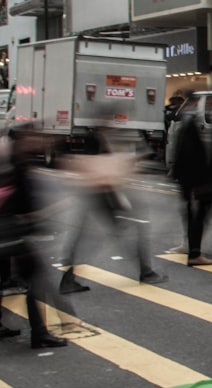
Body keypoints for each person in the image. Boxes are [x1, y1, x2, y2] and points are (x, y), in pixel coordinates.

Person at [58, 124, 169, 293]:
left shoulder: (95, 141)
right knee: (131, 231)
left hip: (96, 194)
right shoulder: (96, 141)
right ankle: (146, 272)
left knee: (88, 239)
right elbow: (102, 170)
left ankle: (68, 277)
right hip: (103, 194)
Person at [0, 131, 67, 349]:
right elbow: (26, 208)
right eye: (34, 138)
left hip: (10, 233)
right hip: (14, 235)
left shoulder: (12, 162)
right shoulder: (18, 166)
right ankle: (39, 334)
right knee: (36, 284)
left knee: (10, 282)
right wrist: (56, 209)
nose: (40, 142)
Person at [170, 106, 212, 267]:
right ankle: (194, 251)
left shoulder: (186, 123)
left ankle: (191, 246)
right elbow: (194, 153)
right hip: (195, 178)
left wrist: (174, 170)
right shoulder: (192, 125)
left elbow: (179, 150)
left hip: (187, 177)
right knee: (199, 213)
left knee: (193, 212)